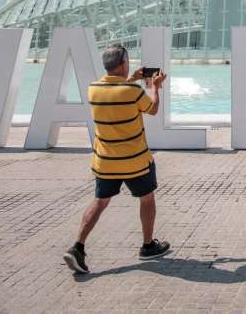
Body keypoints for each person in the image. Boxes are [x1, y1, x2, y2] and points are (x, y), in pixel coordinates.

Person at [63, 44, 170, 274]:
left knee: (100, 202)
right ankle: (148, 246)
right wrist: (155, 87)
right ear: (123, 63)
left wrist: (131, 78)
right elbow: (152, 109)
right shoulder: (133, 92)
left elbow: (117, 92)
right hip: (135, 161)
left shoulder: (93, 89)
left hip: (105, 161)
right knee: (147, 199)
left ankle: (78, 247)